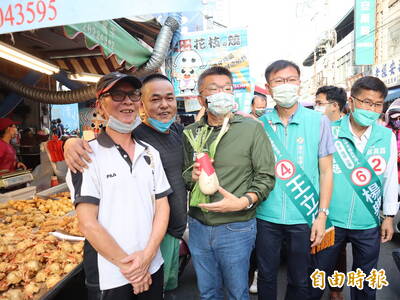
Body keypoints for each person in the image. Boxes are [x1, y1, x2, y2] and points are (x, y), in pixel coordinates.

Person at [64, 73, 186, 292]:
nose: (127, 101)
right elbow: (87, 223)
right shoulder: (86, 156)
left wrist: (147, 258)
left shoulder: (150, 152)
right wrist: (130, 268)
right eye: (117, 95)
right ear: (100, 106)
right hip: (112, 274)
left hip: (153, 265)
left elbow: (162, 207)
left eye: (132, 95)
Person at [182, 66, 275, 300]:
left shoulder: (251, 129)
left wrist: (244, 202)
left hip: (236, 226)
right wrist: (190, 176)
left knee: (237, 292)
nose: (221, 93)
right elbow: (182, 176)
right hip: (198, 226)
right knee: (207, 292)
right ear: (201, 97)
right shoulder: (190, 133)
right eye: (213, 89)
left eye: (227, 88)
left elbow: (266, 175)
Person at [310, 76, 399, 300]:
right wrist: (318, 215)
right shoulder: (329, 130)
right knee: (317, 278)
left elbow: (390, 179)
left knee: (365, 282)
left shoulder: (385, 136)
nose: (372, 108)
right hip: (331, 221)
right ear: (351, 101)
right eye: (366, 102)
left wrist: (388, 216)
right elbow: (317, 173)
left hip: (367, 222)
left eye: (378, 104)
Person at [256, 60, 335, 300]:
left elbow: (326, 172)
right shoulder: (258, 125)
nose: (285, 85)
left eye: (291, 80)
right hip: (265, 215)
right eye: (278, 81)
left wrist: (322, 215)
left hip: (304, 215)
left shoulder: (319, 122)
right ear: (269, 88)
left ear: (299, 84)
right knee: (267, 276)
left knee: (300, 278)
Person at [314, 85, 348, 300]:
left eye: (319, 103)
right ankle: (313, 288)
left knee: (338, 250)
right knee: (315, 248)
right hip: (314, 198)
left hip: (341, 203)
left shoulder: (349, 128)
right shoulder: (314, 125)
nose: (315, 107)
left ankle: (335, 289)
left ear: (335, 106)